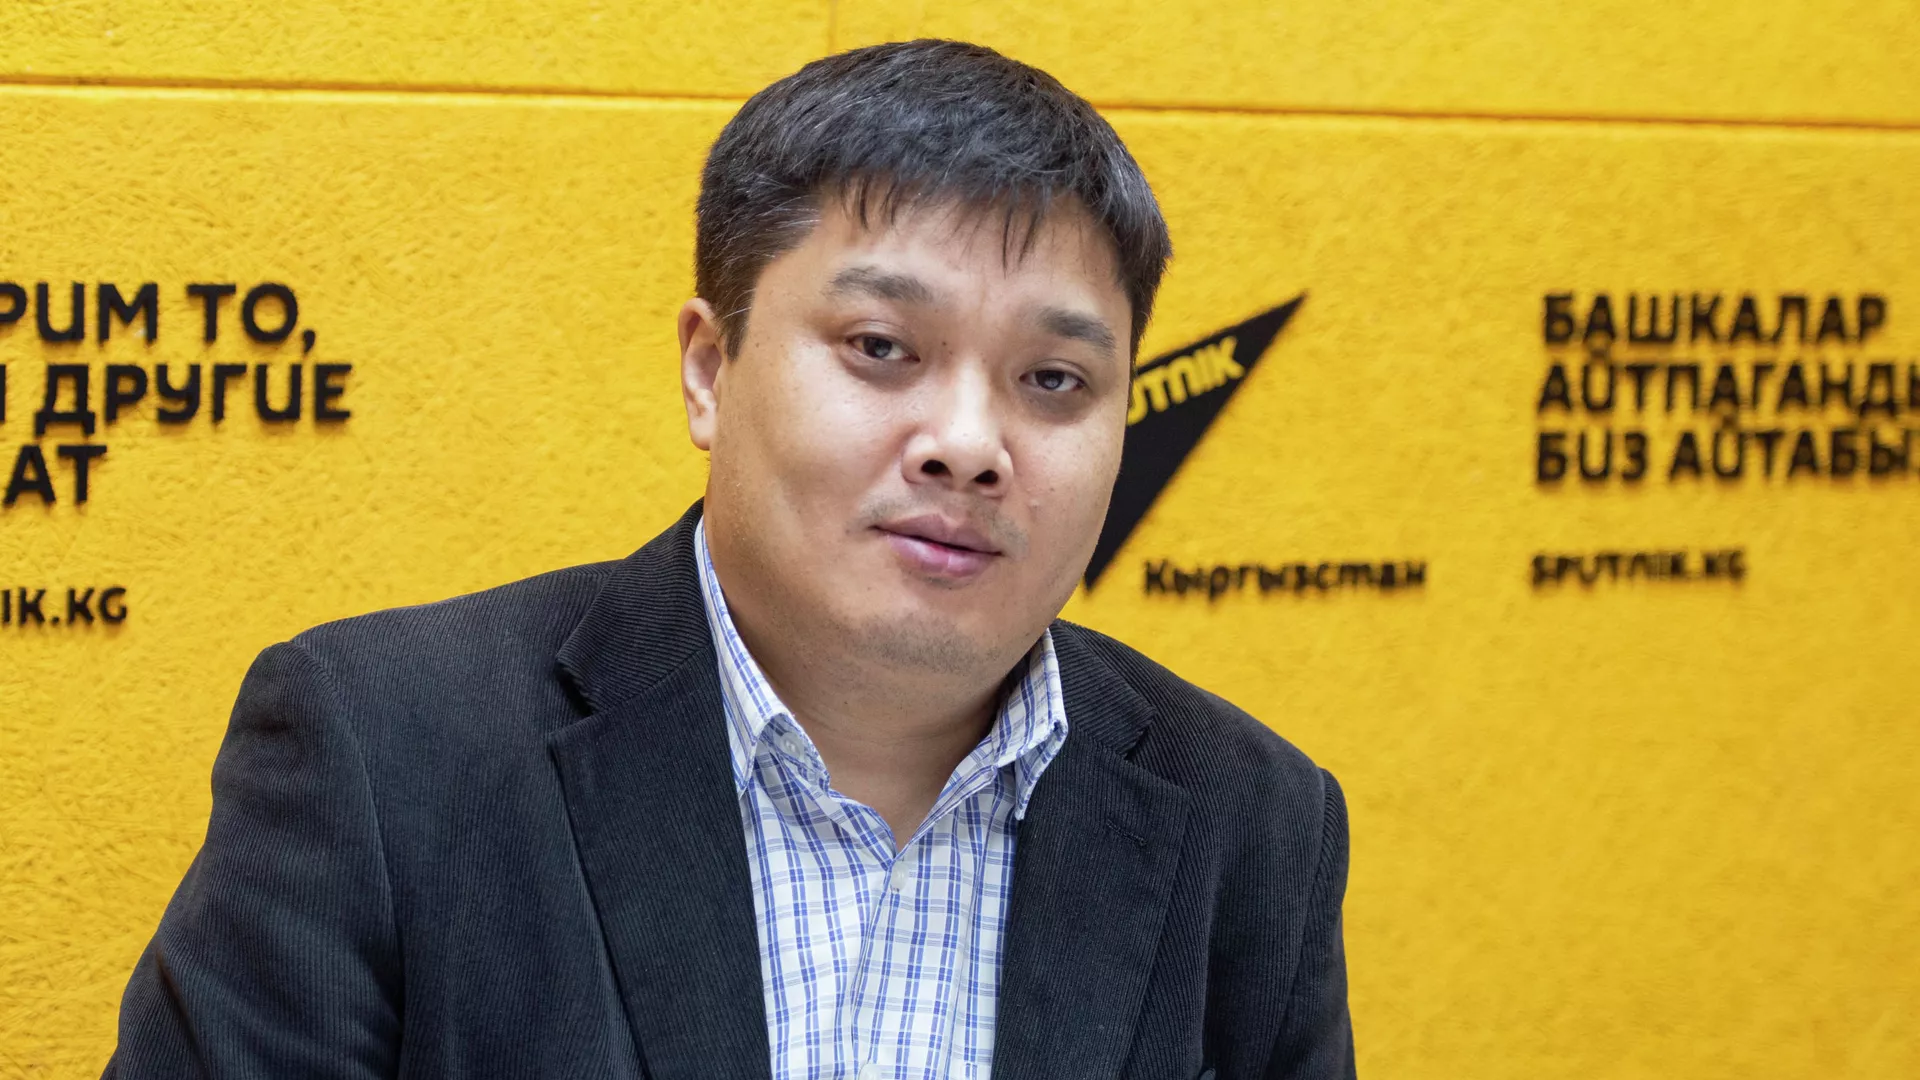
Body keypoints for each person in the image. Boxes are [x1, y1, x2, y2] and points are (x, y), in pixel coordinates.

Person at [105, 39, 1354, 1080]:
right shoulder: (387, 753)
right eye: (881, 347)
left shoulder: (1250, 822)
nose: (970, 446)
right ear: (711, 368)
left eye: (1055, 380)